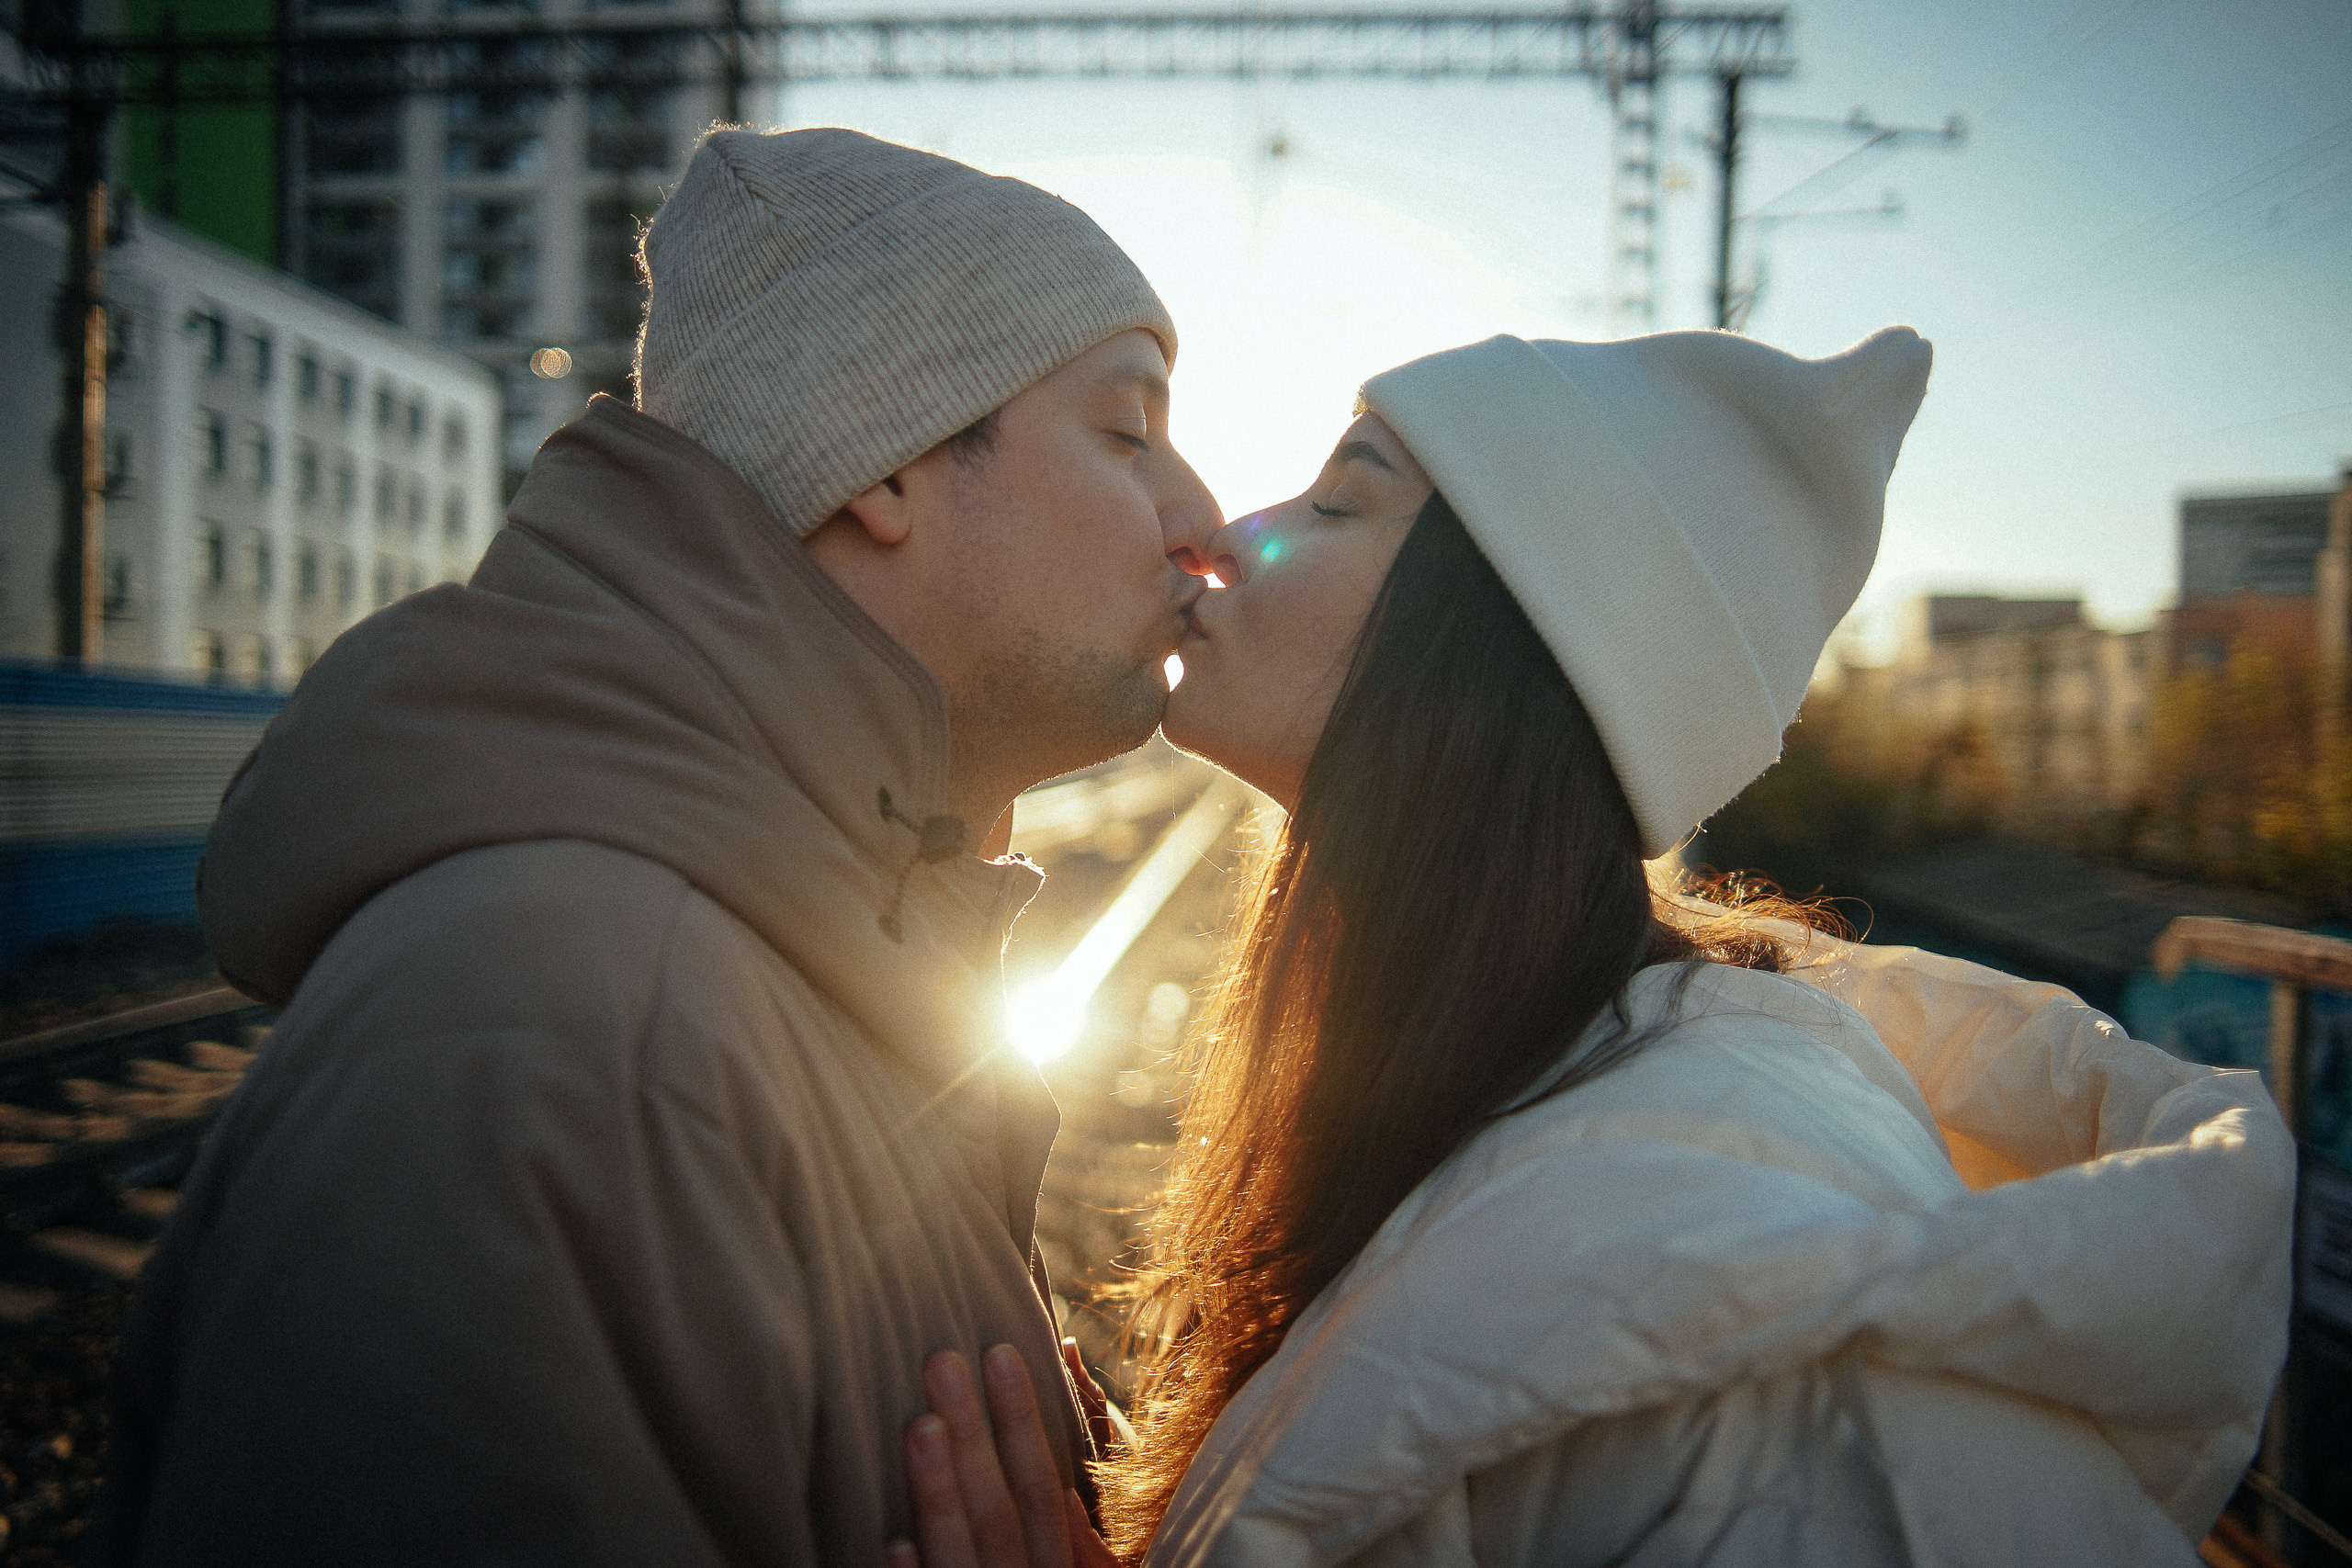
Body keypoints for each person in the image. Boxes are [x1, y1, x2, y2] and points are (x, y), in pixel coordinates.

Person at [892, 328, 2295, 1567]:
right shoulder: (1528, 1088)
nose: (1222, 534)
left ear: (1505, 647)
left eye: (1337, 499)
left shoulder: (1764, 1386)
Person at [95, 128, 1223, 1565]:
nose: (1197, 521)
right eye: (1130, 434)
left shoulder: (755, 958)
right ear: (886, 463)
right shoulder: (559, 1031)